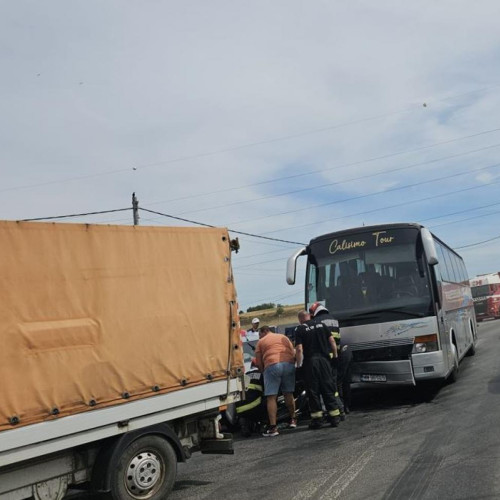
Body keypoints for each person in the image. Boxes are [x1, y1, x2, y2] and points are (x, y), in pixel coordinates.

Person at [295, 309, 341, 429]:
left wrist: (299, 366)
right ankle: (335, 417)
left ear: (300, 319)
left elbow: (299, 349)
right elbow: (332, 341)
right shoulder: (322, 325)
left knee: (313, 391)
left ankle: (317, 420)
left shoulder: (300, 329)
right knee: (328, 387)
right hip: (325, 360)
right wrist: (335, 357)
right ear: (309, 316)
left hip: (311, 362)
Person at [309, 302, 352, 416]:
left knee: (329, 385)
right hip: (336, 355)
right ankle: (343, 407)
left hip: (325, 357)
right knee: (339, 382)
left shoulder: (318, 322)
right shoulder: (334, 320)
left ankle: (337, 409)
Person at [254, 326, 297, 437]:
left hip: (272, 365)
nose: (259, 336)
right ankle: (293, 419)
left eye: (259, 334)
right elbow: (293, 351)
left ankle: (273, 427)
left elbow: (258, 362)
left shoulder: (261, 342)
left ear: (264, 331)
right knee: (288, 394)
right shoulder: (283, 337)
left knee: (271, 397)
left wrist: (263, 371)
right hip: (288, 364)